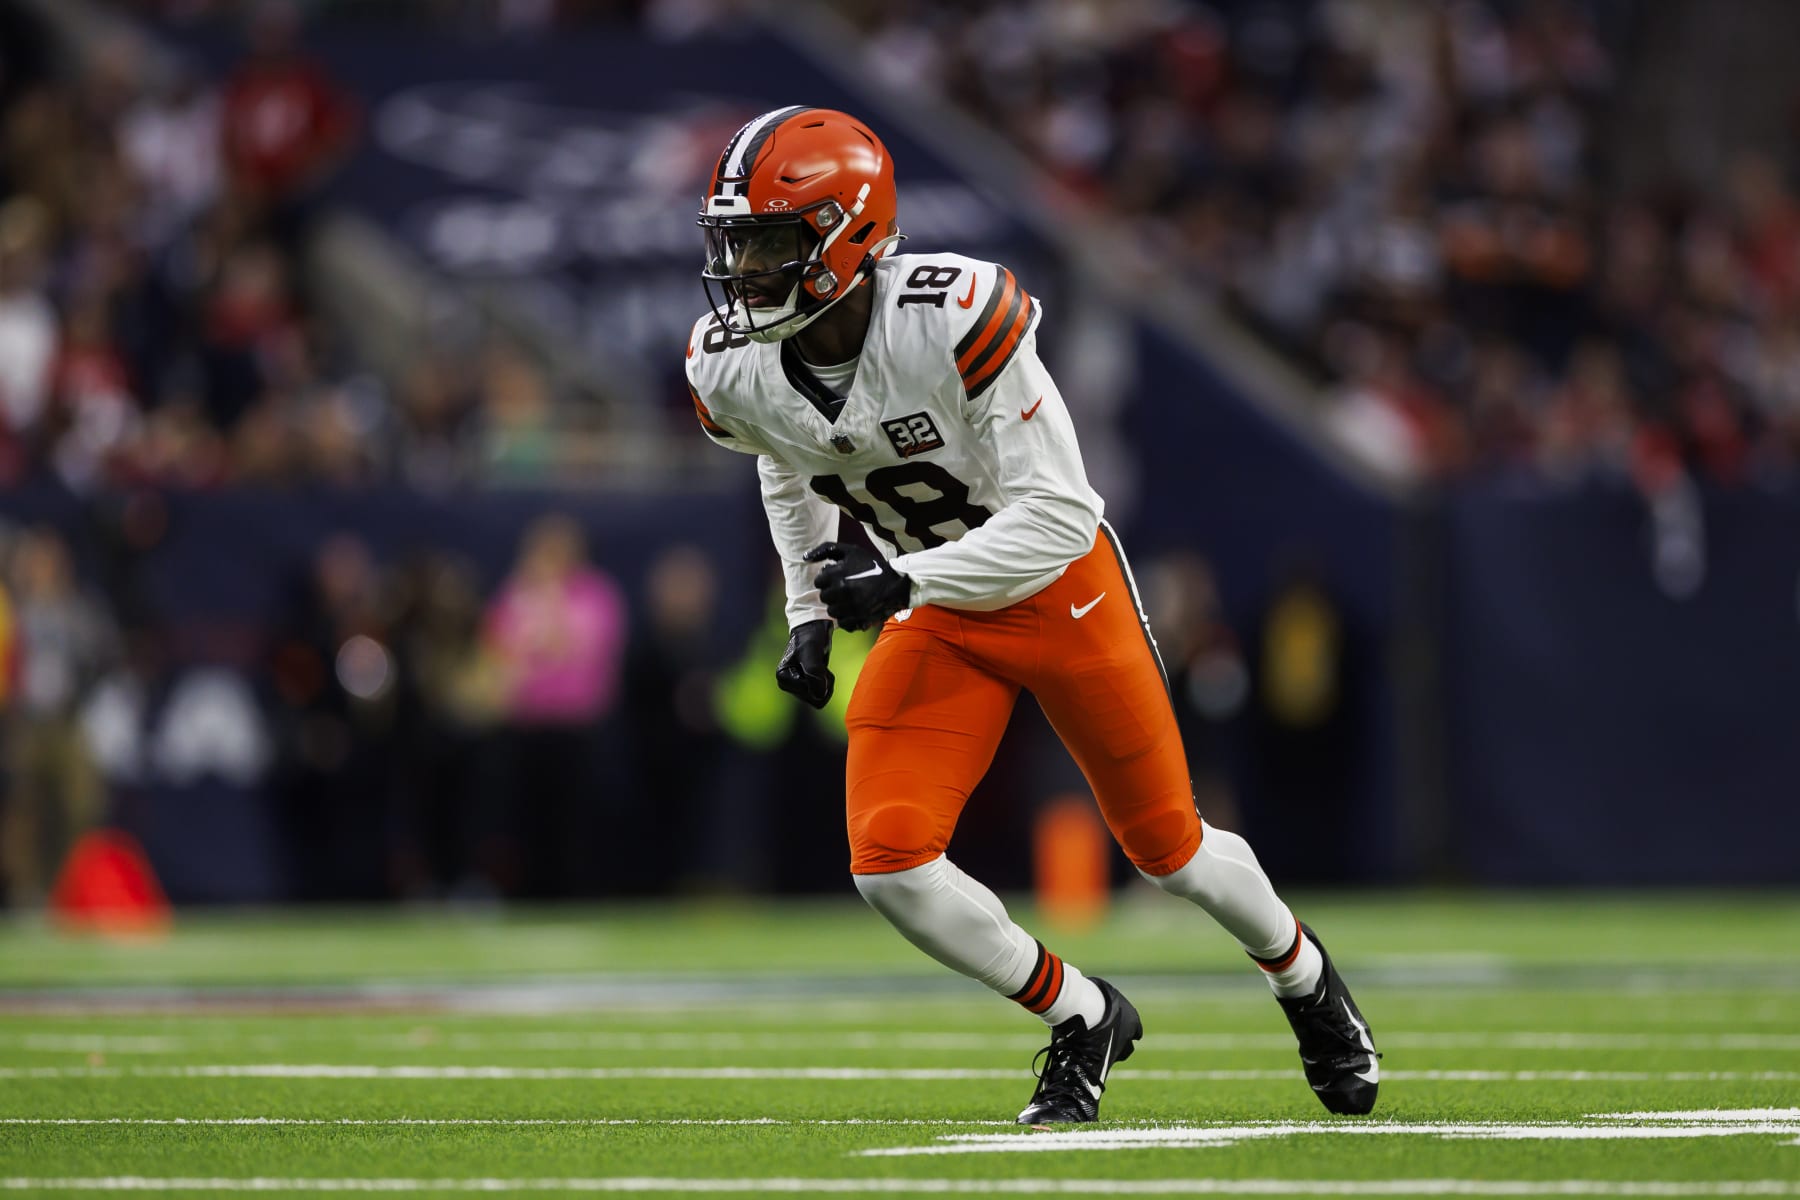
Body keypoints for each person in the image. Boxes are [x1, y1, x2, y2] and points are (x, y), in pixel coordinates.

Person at [683, 106, 1380, 1123]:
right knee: (889, 862)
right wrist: (806, 608)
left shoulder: (952, 313)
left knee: (1168, 850)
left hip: (1058, 588)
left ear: (849, 234)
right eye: (736, 244)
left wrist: (901, 585)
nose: (744, 271)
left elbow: (1060, 514)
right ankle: (1082, 1014)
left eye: (772, 243)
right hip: (936, 604)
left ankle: (1303, 974)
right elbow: (784, 455)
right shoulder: (732, 364)